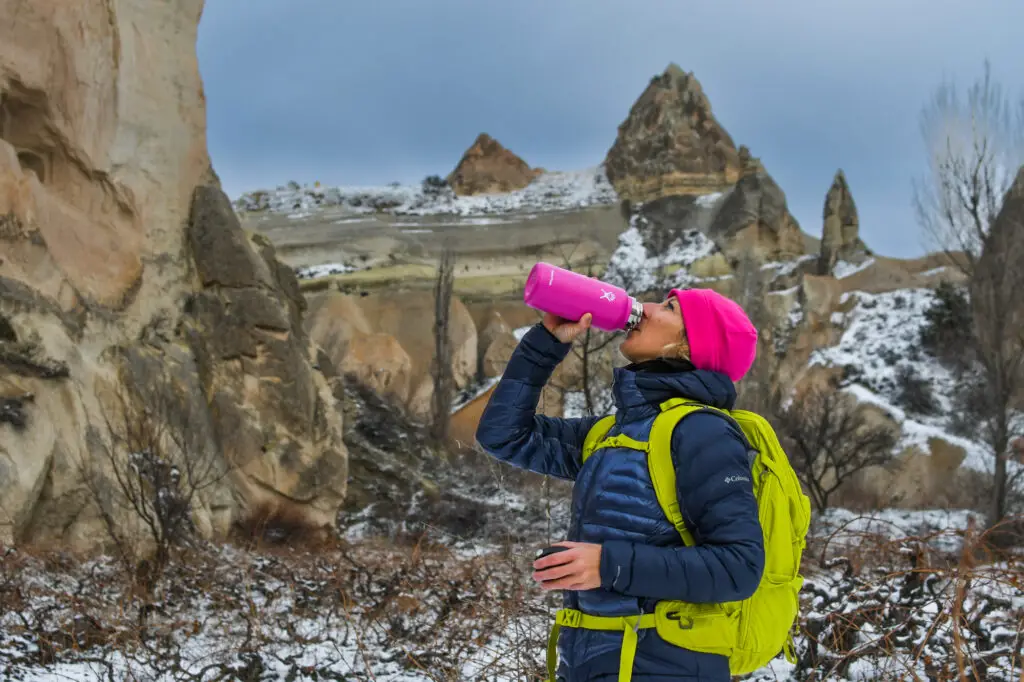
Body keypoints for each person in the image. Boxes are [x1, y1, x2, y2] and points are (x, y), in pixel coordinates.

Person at [475, 287, 765, 682]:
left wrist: (608, 565)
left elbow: (739, 567)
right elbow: (504, 435)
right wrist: (545, 345)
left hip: (665, 668)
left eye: (669, 308)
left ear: (689, 344)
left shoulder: (703, 431)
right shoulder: (613, 432)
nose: (644, 308)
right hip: (592, 663)